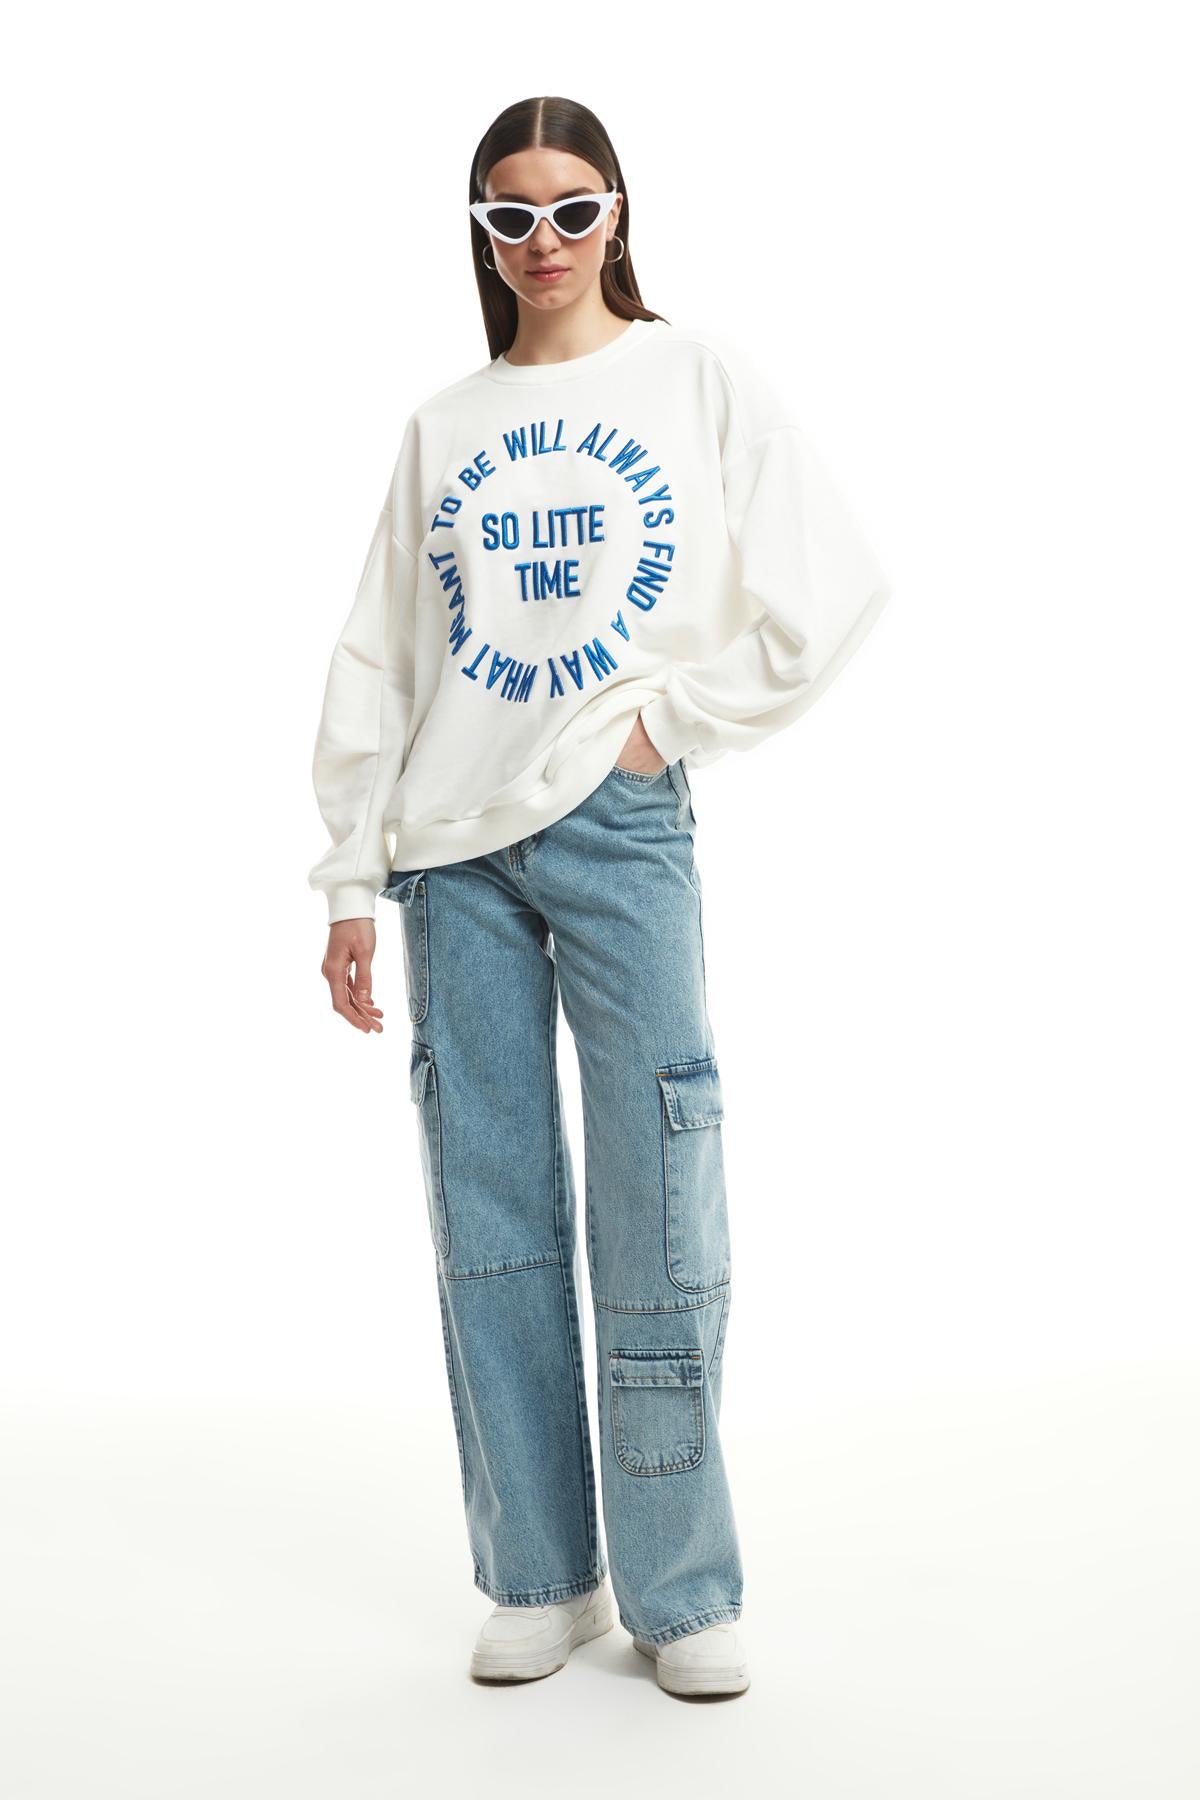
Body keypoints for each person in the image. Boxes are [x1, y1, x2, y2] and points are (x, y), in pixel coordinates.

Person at [307, 95, 891, 1699]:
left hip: (619, 824)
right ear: (481, 234)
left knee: (659, 1180)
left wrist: (665, 726)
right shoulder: (445, 424)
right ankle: (542, 1577)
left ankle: (678, 1589)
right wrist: (350, 869)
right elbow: (381, 654)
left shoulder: (695, 378)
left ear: (618, 213)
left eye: (573, 208)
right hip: (449, 853)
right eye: (512, 215)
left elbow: (834, 584)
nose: (545, 240)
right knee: (489, 1212)